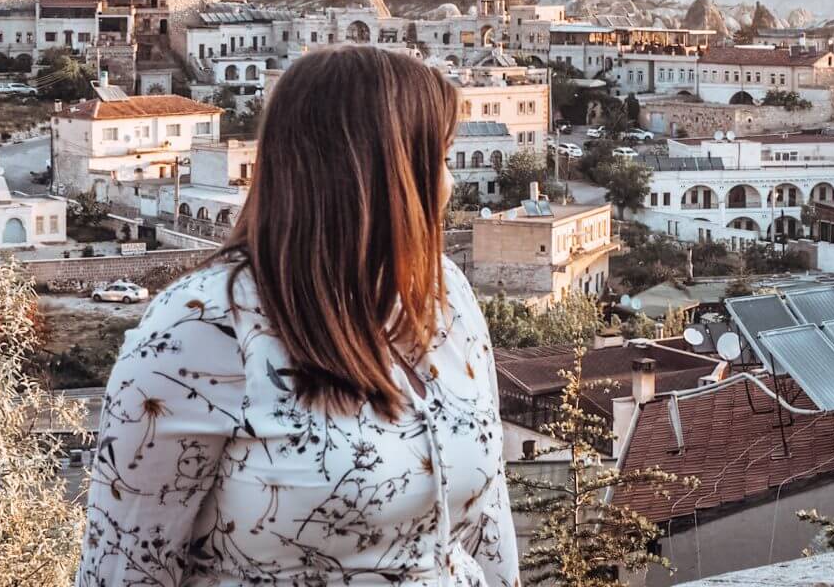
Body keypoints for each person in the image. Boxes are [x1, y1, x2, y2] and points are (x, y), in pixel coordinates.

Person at [76, 46, 520, 587]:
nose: (449, 184)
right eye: (440, 158)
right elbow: (125, 570)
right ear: (382, 172)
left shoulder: (445, 296)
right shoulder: (199, 330)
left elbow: (488, 530)